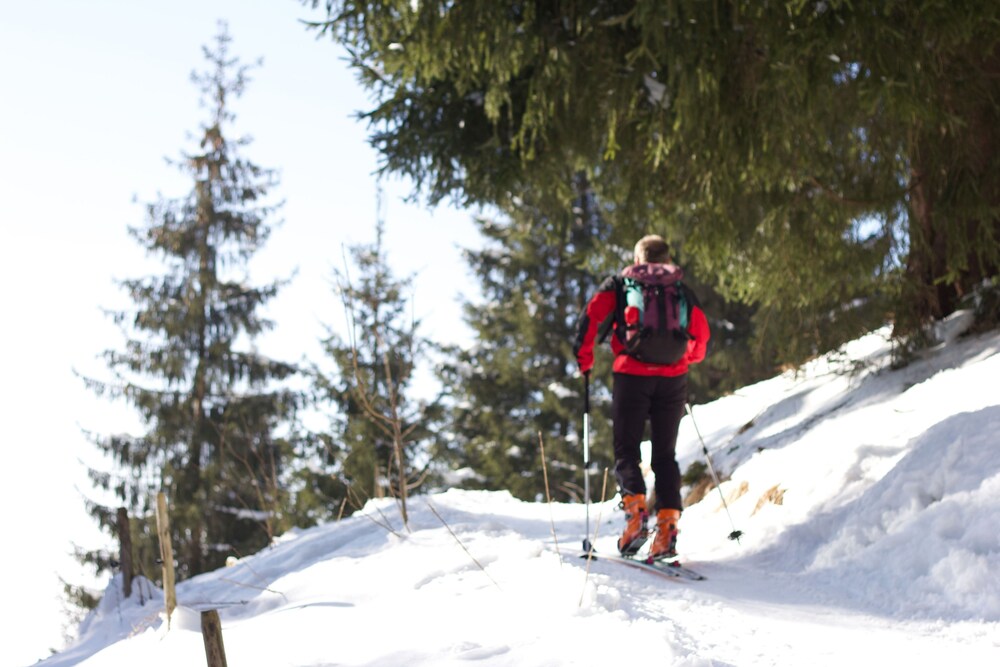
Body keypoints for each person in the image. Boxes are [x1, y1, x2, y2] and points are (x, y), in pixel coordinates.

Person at [573, 235, 710, 560]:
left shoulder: (621, 283)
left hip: (632, 375)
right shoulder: (679, 289)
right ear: (666, 258)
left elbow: (591, 317)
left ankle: (635, 518)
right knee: (665, 456)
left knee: (626, 450)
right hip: (673, 378)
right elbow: (701, 335)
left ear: (638, 258)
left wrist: (585, 360)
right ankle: (667, 530)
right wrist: (683, 359)